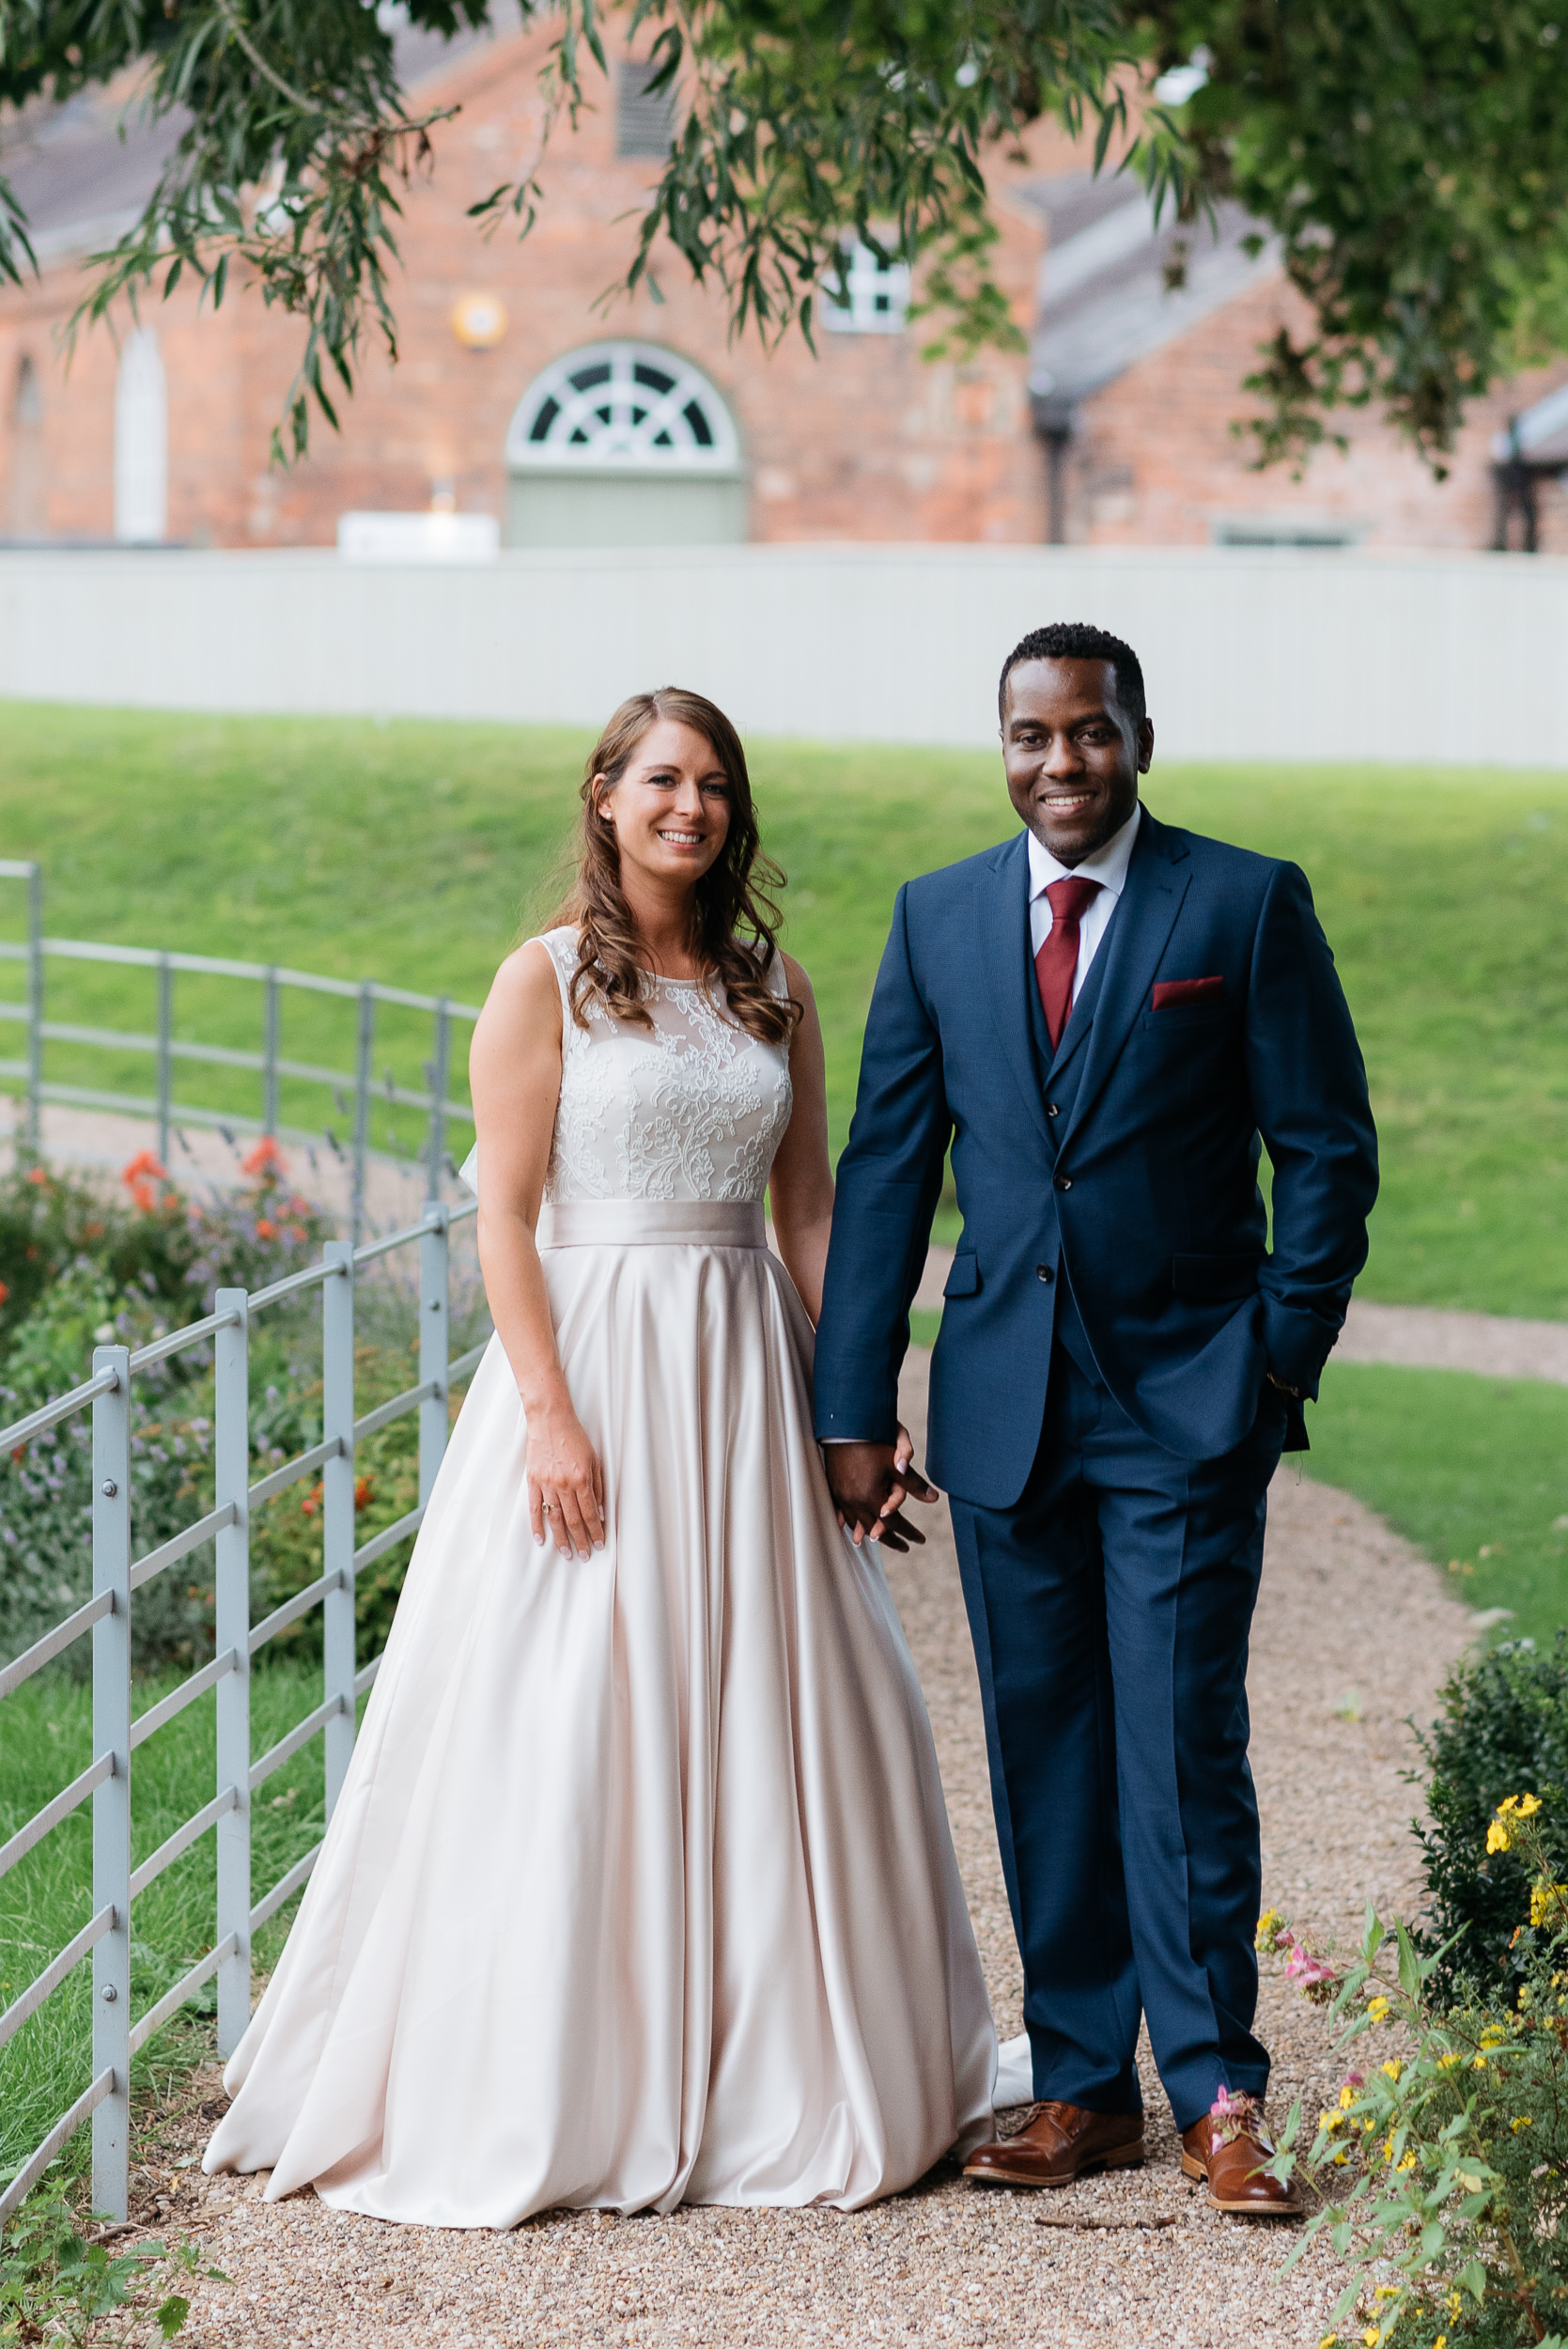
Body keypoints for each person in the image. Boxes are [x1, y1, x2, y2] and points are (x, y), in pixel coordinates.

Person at [204, 687, 995, 2227]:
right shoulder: (544, 980)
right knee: (572, 1695)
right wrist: (551, 1415)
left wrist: (855, 1402)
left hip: (746, 1367)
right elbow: (501, 1213)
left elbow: (811, 1207)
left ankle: (780, 2059)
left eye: (711, 784)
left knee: (786, 1697)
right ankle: (564, 2069)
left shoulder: (775, 987)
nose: (687, 806)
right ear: (605, 795)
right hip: (597, 1365)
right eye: (660, 780)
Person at [815, 624, 1378, 2215]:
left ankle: (1215, 2093)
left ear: (1140, 736)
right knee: (1041, 1749)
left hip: (1190, 1402)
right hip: (1004, 1414)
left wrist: (1276, 1353)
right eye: (1028, 736)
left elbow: (1324, 1149)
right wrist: (852, 1404)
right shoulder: (937, 920)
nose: (1058, 763)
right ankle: (1080, 2086)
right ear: (998, 746)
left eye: (1088, 733)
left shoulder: (1240, 903)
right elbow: (884, 1170)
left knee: (1180, 1747)